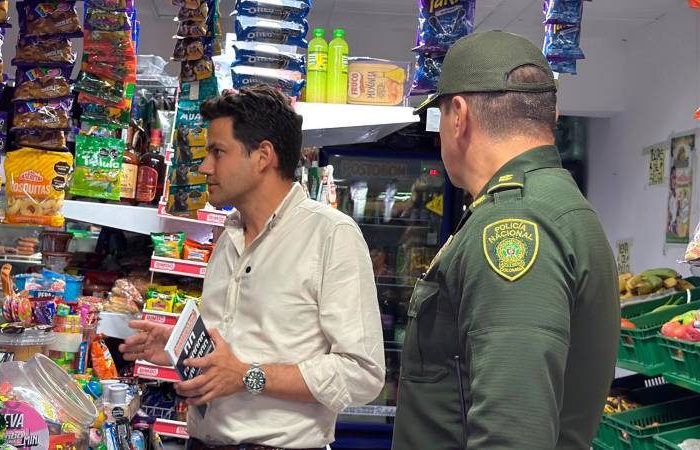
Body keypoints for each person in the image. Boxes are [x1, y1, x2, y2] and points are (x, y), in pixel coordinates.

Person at [120, 86, 385, 450]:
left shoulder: (330, 235)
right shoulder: (229, 235)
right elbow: (233, 350)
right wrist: (180, 347)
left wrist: (248, 376)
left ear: (263, 156)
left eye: (218, 152)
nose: (204, 167)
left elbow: (362, 374)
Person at [391, 31, 620, 450]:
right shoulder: (555, 207)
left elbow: (513, 431)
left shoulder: (514, 222)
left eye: (439, 118)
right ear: (553, 113)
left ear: (458, 116)